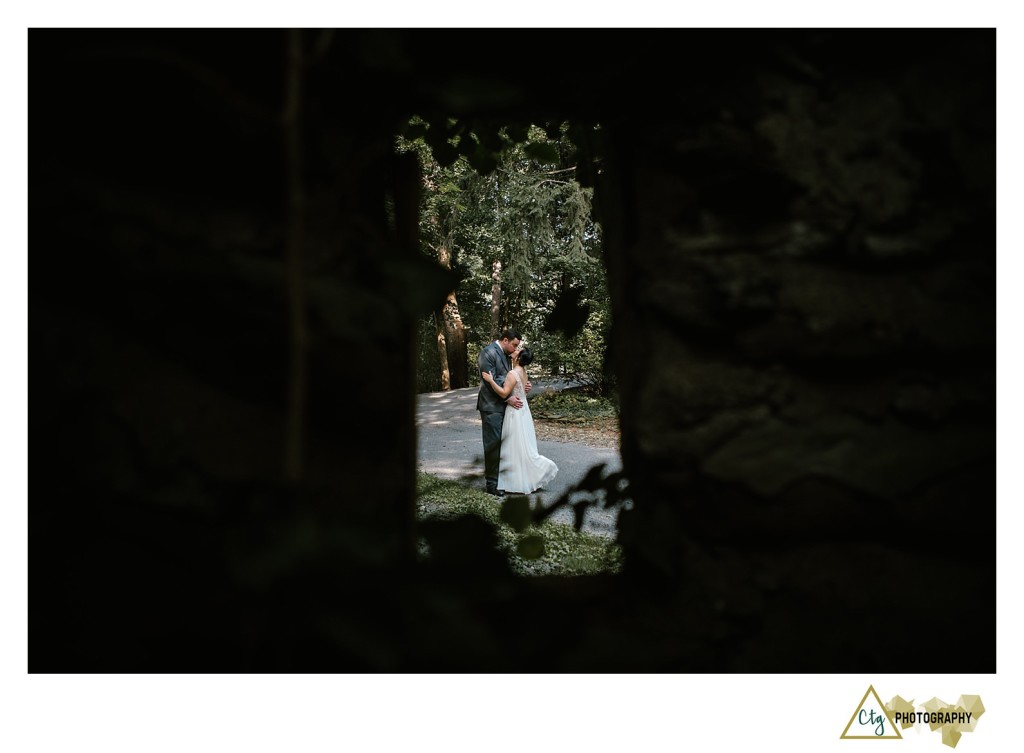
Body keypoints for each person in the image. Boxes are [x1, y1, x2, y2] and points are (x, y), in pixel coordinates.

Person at [481, 346, 558, 495]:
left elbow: (504, 394)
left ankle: (520, 477)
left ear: (518, 358)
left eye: (518, 350)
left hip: (515, 413)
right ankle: (522, 478)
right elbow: (522, 389)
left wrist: (491, 381)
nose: (515, 350)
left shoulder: (512, 373)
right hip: (524, 410)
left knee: (513, 445)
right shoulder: (524, 372)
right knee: (521, 446)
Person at [477, 329, 530, 496]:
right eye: (514, 345)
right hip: (491, 406)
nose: (515, 349)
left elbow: (509, 378)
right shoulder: (488, 353)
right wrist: (508, 398)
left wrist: (523, 386)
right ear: (505, 340)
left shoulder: (507, 356)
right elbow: (490, 380)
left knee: (505, 444)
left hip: (505, 406)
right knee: (493, 444)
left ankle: (503, 480)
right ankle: (492, 484)